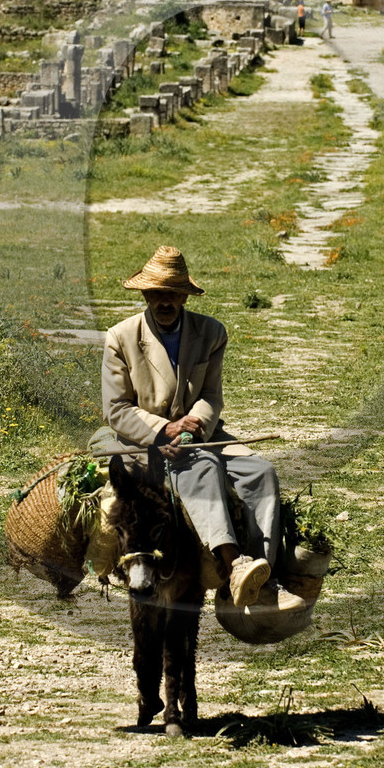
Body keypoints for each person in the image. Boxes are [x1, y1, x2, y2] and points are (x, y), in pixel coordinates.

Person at [97, 245, 298, 611]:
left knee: (261, 472)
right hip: (147, 441)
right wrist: (162, 432)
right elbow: (116, 409)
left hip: (201, 433)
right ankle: (234, 565)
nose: (165, 301)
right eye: (157, 293)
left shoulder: (211, 333)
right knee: (201, 468)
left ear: (185, 296)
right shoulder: (121, 337)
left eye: (172, 293)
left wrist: (195, 427)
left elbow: (210, 395)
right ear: (145, 293)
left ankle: (266, 579)